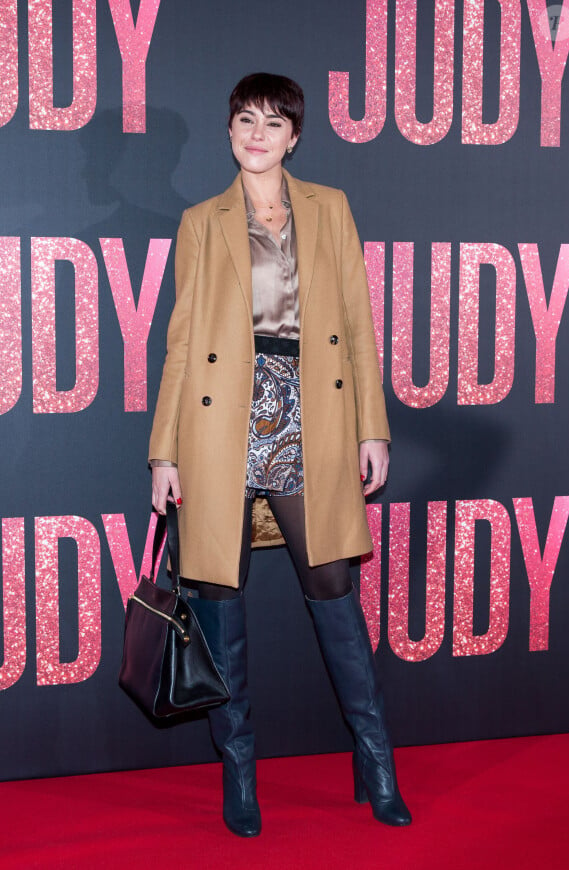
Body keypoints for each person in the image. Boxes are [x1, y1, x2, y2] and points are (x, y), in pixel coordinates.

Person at [149, 72, 411, 837]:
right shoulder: (202, 221)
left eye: (272, 122)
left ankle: (376, 762)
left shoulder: (329, 208)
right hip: (219, 424)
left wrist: (373, 428)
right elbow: (179, 343)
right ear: (228, 132)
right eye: (244, 121)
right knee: (219, 607)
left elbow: (358, 325)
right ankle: (239, 774)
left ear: (295, 136)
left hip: (311, 416)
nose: (257, 134)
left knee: (334, 595)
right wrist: (164, 451)